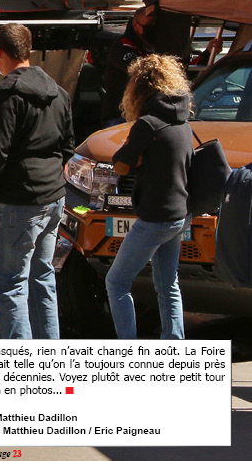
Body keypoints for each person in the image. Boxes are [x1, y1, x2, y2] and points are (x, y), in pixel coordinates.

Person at [0, 23, 75, 340]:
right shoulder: (58, 92)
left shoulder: (7, 96)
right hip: (52, 197)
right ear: (28, 50)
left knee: (8, 283)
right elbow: (68, 147)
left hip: (19, 200)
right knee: (41, 277)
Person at [106, 55, 193, 340]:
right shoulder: (182, 120)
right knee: (168, 284)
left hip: (155, 217)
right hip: (180, 214)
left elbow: (121, 165)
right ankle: (174, 344)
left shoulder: (147, 124)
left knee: (117, 282)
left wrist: (132, 151)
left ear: (139, 87)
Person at [102, 5, 158, 124]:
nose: (153, 28)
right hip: (121, 117)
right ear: (136, 26)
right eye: (149, 25)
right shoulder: (122, 48)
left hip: (150, 116)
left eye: (156, 25)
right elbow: (141, 72)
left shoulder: (159, 48)